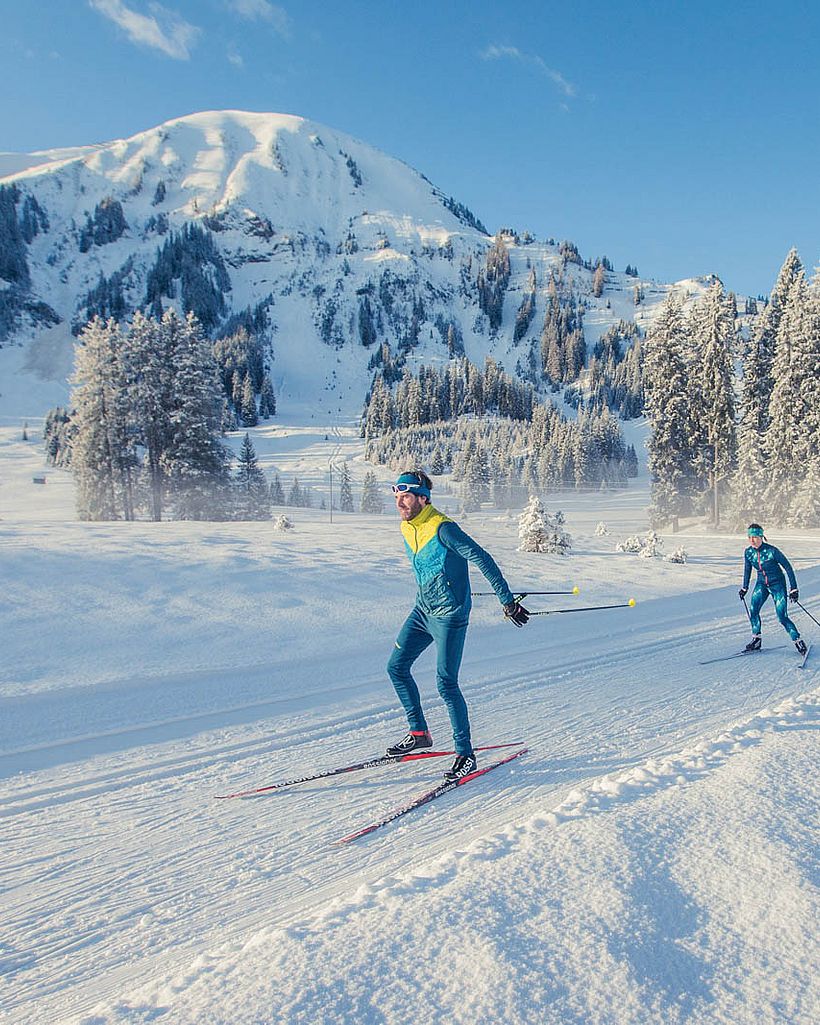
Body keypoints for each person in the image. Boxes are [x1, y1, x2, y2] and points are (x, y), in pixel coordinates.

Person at [386, 470, 529, 781]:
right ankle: (419, 733)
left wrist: (507, 601)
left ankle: (466, 755)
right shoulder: (407, 526)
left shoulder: (443, 528)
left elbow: (482, 558)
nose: (400, 502)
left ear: (423, 498)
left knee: (446, 684)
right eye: (397, 496)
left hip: (450, 615)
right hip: (422, 611)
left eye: (406, 496)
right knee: (396, 667)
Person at [739, 523, 807, 655]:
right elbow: (747, 570)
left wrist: (794, 589)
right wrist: (744, 587)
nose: (752, 540)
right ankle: (756, 639)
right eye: (749, 537)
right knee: (753, 610)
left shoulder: (772, 551)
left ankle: (798, 640)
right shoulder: (748, 552)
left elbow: (788, 567)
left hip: (777, 585)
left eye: (755, 537)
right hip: (761, 584)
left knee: (782, 616)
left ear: (761, 537)